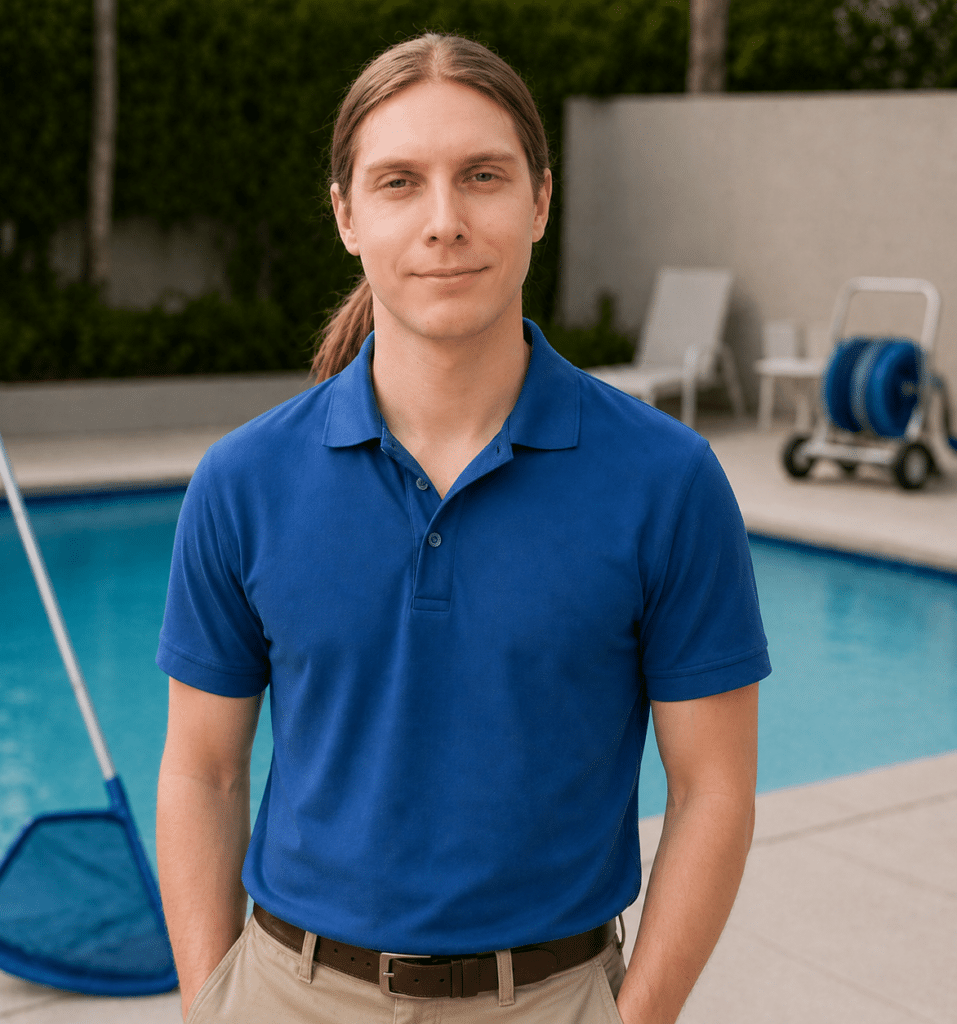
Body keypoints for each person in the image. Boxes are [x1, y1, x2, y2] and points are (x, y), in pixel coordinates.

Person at [156, 32, 770, 1024]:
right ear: (346, 215)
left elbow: (714, 790)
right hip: (285, 995)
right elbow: (203, 767)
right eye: (399, 181)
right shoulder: (244, 481)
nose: (445, 222)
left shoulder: (666, 481)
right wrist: (207, 1001)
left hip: (553, 999)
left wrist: (634, 1015)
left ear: (538, 200)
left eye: (481, 175)